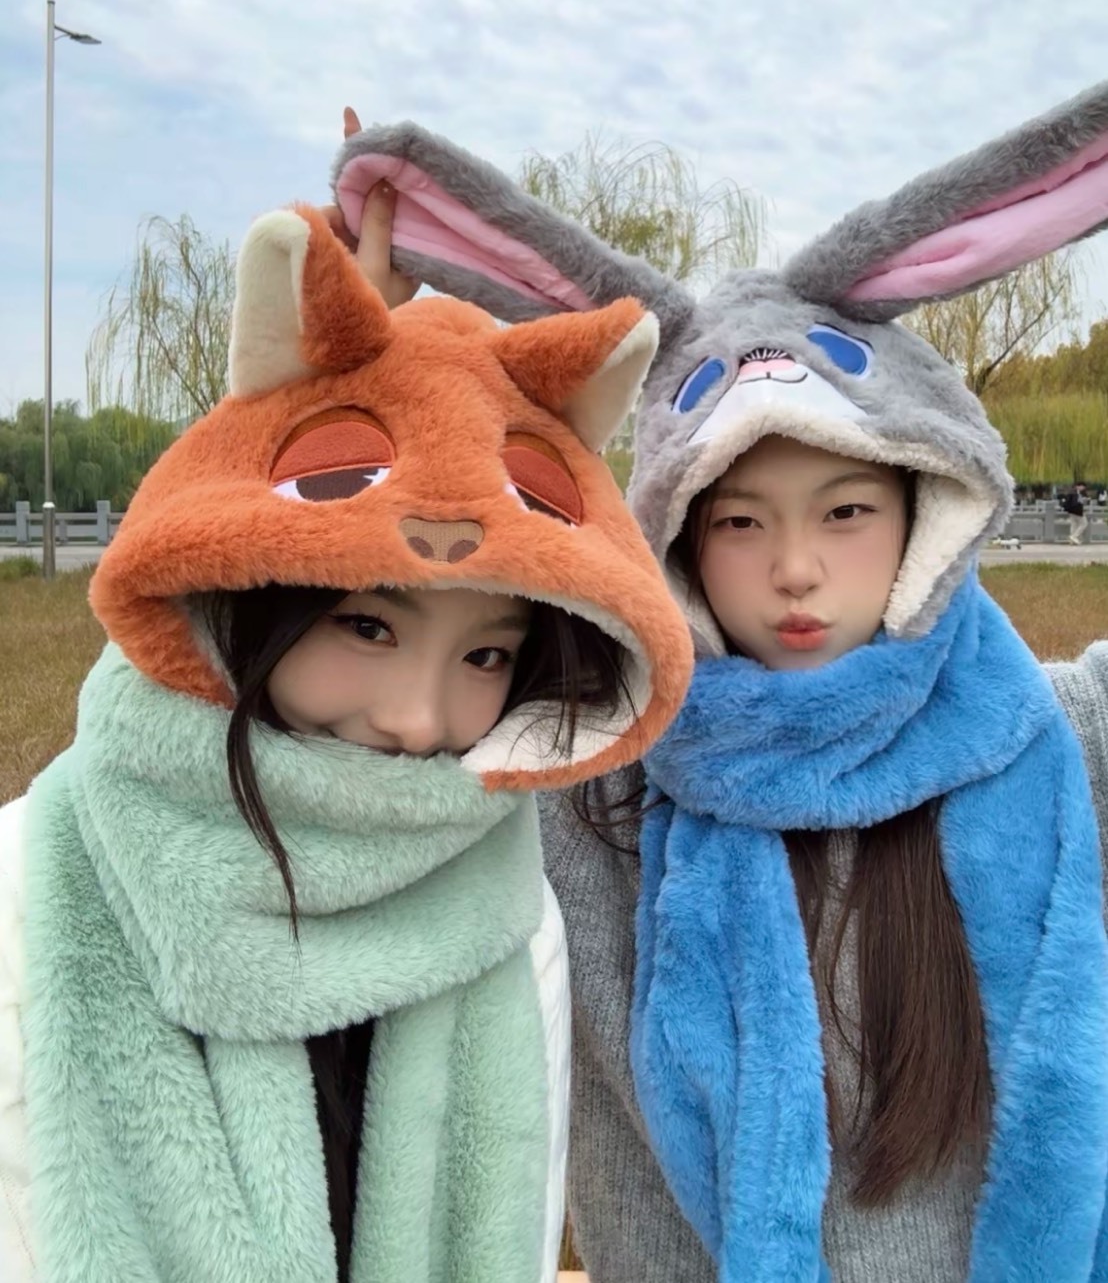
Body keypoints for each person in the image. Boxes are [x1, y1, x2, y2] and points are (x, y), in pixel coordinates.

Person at [326, 77, 1108, 1281]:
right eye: (740, 521)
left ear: (925, 510)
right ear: (677, 540)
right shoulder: (595, 789)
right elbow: (309, 756)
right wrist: (347, 390)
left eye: (845, 511)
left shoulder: (1059, 741)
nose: (795, 569)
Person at [0, 201, 693, 1283]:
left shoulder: (507, 910)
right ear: (243, 593)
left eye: (486, 654)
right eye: (366, 626)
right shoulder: (30, 891)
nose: (418, 719)